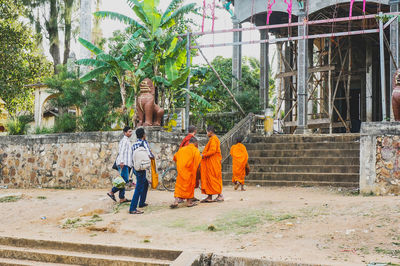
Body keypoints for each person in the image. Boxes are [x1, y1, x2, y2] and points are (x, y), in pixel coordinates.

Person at [170, 137, 202, 208]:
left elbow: (175, 158)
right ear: (195, 143)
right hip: (190, 171)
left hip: (181, 171)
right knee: (189, 186)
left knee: (179, 186)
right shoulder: (195, 150)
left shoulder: (182, 149)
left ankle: (176, 201)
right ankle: (189, 202)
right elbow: (199, 161)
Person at [129, 128, 154, 214]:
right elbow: (150, 154)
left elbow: (131, 157)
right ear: (143, 135)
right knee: (139, 188)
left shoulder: (133, 145)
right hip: (142, 168)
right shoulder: (144, 143)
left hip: (136, 167)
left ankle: (142, 202)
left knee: (145, 183)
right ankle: (132, 208)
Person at [107, 126, 132, 203]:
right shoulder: (124, 140)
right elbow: (121, 151)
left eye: (131, 131)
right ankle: (112, 192)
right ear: (125, 133)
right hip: (123, 163)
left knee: (122, 180)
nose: (131, 133)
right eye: (129, 131)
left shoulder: (127, 140)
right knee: (124, 180)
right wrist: (121, 161)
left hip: (125, 163)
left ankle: (122, 198)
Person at [200, 125, 224, 202]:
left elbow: (213, 151)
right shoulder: (213, 139)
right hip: (210, 162)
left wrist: (203, 155)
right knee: (209, 178)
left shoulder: (214, 139)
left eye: (207, 132)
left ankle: (220, 195)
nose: (206, 133)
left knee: (214, 178)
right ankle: (209, 196)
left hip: (213, 162)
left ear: (210, 132)